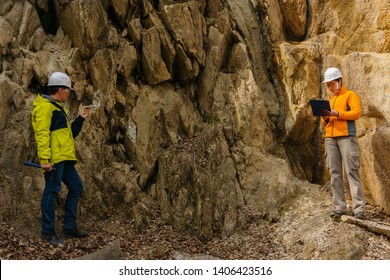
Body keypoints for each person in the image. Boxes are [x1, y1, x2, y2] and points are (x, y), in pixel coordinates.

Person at [32, 72, 91, 246]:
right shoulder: (45, 107)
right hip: (54, 160)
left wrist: (80, 119)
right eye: (68, 90)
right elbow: (41, 134)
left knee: (76, 187)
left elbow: (69, 135)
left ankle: (69, 227)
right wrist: (44, 159)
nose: (69, 93)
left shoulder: (58, 108)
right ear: (60, 89)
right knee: (51, 191)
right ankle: (47, 233)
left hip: (64, 158)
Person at [321, 67, 366, 221]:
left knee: (352, 172)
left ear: (339, 81)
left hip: (347, 138)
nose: (329, 88)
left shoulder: (350, 95)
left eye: (331, 84)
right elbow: (326, 122)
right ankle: (339, 208)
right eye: (327, 85)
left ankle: (359, 210)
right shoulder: (331, 100)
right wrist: (325, 116)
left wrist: (337, 114)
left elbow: (356, 113)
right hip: (330, 139)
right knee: (334, 174)